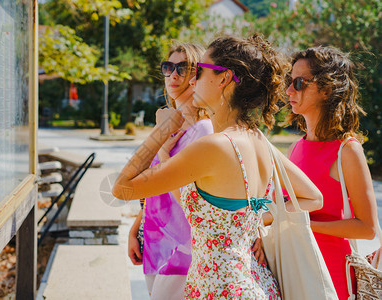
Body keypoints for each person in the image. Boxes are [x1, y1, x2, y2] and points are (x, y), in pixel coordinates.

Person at [114, 34, 323, 299]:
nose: (191, 80)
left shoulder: (214, 146)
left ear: (224, 79)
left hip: (222, 289)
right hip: (254, 283)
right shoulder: (256, 138)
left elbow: (122, 188)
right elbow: (313, 197)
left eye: (199, 71)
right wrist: (256, 221)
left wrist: (162, 130)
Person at [286, 46, 378, 299]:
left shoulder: (347, 151)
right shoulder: (296, 147)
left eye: (299, 83)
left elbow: (367, 228)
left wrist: (306, 225)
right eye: (288, 81)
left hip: (332, 277)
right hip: (291, 270)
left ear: (326, 89)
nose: (289, 90)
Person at [127, 42, 214, 300]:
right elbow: (154, 185)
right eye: (168, 67)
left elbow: (193, 200)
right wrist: (136, 229)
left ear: (197, 75)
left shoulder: (203, 130)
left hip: (183, 249)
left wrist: (164, 151)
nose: (173, 75)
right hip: (154, 242)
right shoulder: (166, 120)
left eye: (183, 68)